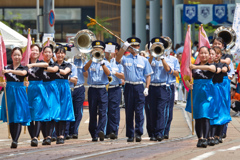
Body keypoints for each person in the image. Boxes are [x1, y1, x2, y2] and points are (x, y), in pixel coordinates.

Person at [116, 37, 153, 142]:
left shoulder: (144, 60)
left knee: (139, 111)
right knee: (129, 111)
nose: (135, 48)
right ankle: (130, 134)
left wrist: (147, 87)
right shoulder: (125, 58)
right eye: (132, 46)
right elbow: (117, 59)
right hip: (128, 86)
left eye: (136, 46)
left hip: (139, 86)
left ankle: (138, 133)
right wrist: (123, 48)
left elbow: (148, 75)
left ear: (139, 46)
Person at [185, 46, 218, 148]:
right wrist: (188, 84)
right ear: (198, 54)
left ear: (209, 55)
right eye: (201, 53)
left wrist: (195, 67)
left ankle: (206, 138)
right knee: (198, 117)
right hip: (197, 93)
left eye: (205, 53)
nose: (203, 55)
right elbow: (186, 77)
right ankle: (200, 139)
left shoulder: (211, 65)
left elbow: (211, 69)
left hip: (208, 94)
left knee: (206, 116)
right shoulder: (193, 66)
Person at [0, 47, 31, 149]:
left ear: (21, 57)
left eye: (18, 55)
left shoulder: (24, 68)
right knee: (11, 116)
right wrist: (2, 82)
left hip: (20, 92)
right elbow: (1, 78)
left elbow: (23, 74)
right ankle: (14, 139)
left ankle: (15, 140)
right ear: (11, 56)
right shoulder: (6, 67)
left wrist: (9, 71)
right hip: (9, 93)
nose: (16, 57)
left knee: (18, 116)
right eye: (15, 55)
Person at [83, 40, 111, 142]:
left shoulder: (106, 62)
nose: (97, 51)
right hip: (92, 89)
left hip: (102, 89)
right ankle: (93, 133)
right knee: (93, 111)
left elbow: (108, 74)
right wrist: (92, 59)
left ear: (103, 51)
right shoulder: (89, 62)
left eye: (99, 50)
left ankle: (101, 131)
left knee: (103, 111)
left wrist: (102, 63)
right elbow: (84, 70)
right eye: (95, 50)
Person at [25, 44, 50, 147]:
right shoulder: (25, 63)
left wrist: (32, 65)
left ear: (39, 53)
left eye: (36, 50)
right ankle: (33, 137)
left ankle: (35, 137)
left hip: (39, 89)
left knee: (38, 113)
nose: (34, 52)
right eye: (32, 50)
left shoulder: (40, 63)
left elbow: (46, 65)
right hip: (29, 89)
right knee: (29, 114)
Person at [147, 37, 169, 141]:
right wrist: (152, 54)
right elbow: (147, 66)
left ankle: (160, 132)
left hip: (162, 87)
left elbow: (168, 69)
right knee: (152, 111)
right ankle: (152, 132)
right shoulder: (150, 58)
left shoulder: (166, 58)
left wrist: (162, 57)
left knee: (160, 110)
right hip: (151, 87)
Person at [209, 47, 231, 145]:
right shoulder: (208, 65)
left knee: (222, 112)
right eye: (214, 53)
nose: (216, 55)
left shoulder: (223, 64)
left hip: (221, 92)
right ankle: (211, 135)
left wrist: (221, 68)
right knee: (212, 113)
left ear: (220, 55)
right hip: (211, 91)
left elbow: (225, 68)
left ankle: (219, 135)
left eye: (218, 54)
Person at [65, 50, 88, 140]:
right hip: (68, 87)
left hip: (79, 87)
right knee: (67, 110)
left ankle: (74, 131)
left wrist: (83, 64)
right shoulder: (67, 61)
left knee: (78, 112)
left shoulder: (83, 60)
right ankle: (66, 131)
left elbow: (86, 75)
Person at [54, 47, 75, 144]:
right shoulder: (52, 64)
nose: (60, 55)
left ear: (65, 54)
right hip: (54, 88)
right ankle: (56, 134)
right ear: (55, 54)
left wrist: (54, 69)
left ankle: (61, 135)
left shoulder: (67, 65)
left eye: (62, 53)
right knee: (55, 111)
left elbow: (65, 72)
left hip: (64, 88)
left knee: (63, 111)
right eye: (58, 53)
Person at [104, 41, 124, 140]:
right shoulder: (102, 60)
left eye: (111, 50)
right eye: (107, 50)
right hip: (104, 88)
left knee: (114, 111)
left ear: (116, 51)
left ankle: (113, 131)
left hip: (114, 88)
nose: (109, 52)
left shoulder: (119, 62)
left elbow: (123, 76)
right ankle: (104, 131)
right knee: (104, 110)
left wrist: (114, 72)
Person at [41, 46, 61, 145]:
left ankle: (49, 136)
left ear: (52, 54)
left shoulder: (55, 64)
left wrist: (40, 67)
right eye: (46, 52)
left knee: (51, 112)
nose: (48, 54)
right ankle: (45, 136)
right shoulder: (39, 63)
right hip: (41, 89)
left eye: (50, 52)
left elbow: (54, 70)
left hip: (52, 88)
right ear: (42, 53)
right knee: (42, 113)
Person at [163, 41, 180, 139]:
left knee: (168, 110)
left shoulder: (174, 59)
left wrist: (170, 70)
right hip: (157, 85)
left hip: (169, 85)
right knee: (157, 110)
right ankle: (157, 130)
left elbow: (178, 73)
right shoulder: (154, 58)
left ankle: (166, 130)